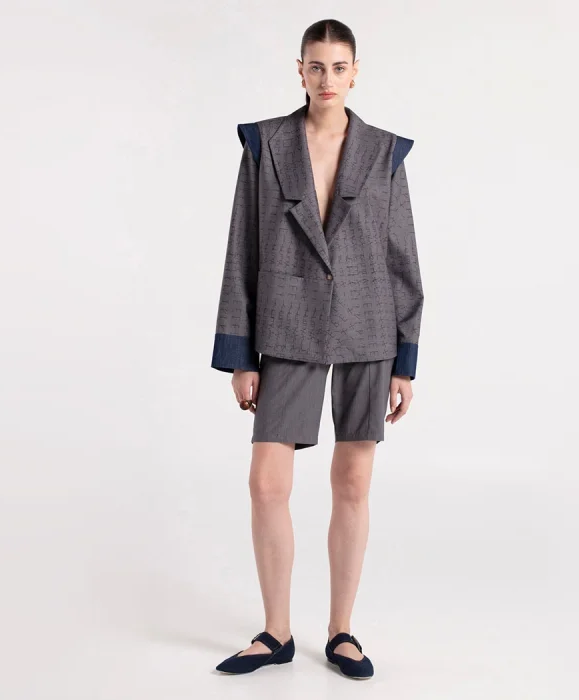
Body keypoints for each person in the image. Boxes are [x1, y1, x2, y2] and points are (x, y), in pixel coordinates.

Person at [211, 19, 424, 679]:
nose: (327, 78)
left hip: (369, 328)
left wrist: (405, 360)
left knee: (352, 483)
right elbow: (242, 248)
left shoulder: (384, 152)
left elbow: (401, 255)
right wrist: (240, 353)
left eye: (338, 67)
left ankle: (341, 632)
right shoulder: (266, 144)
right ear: (299, 71)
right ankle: (275, 632)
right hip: (286, 325)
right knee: (266, 483)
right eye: (316, 66)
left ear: (355, 73)